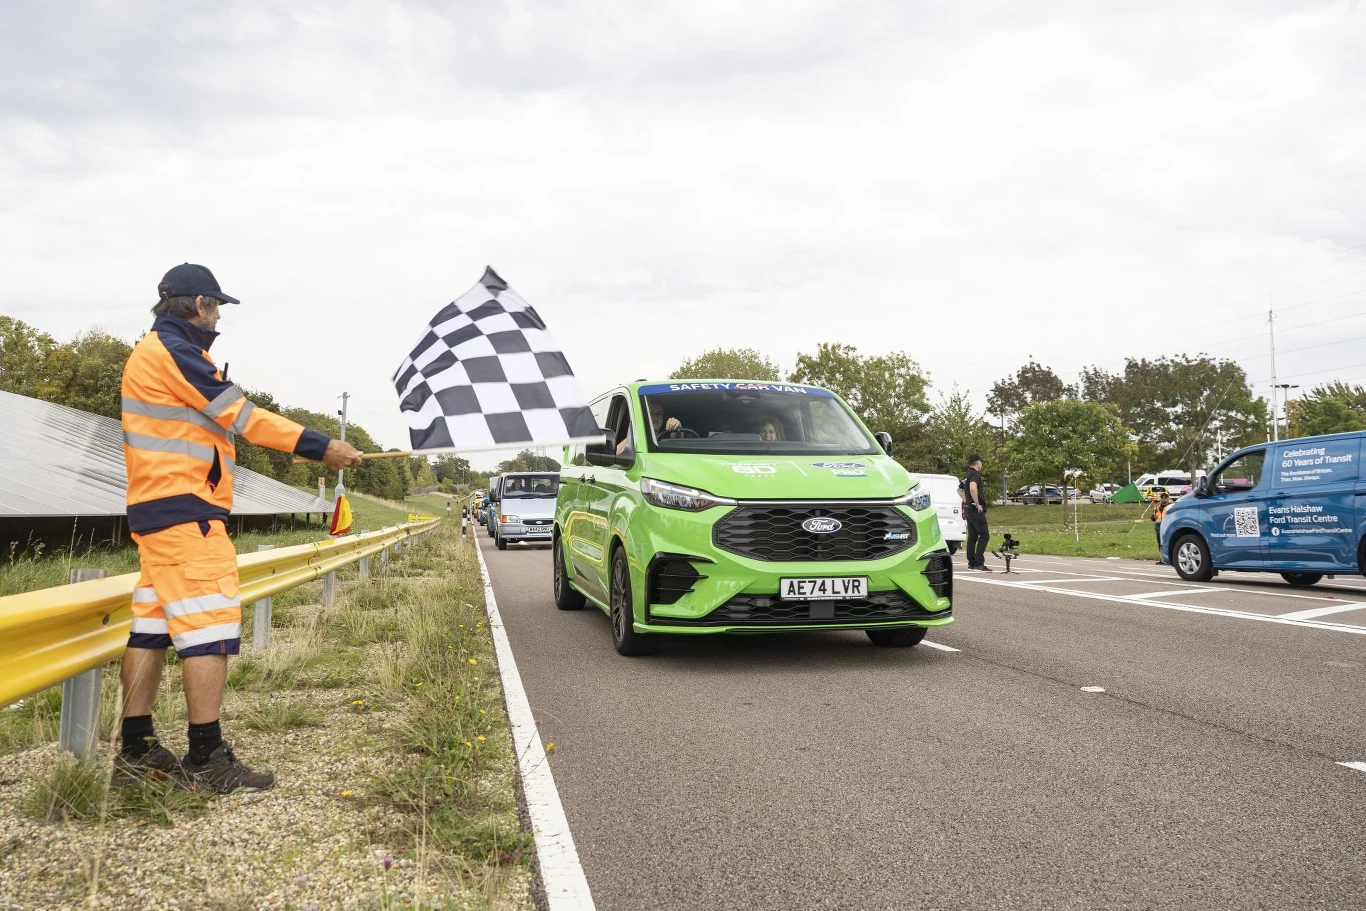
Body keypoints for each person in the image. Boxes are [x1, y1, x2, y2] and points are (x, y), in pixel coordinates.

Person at [117, 263, 363, 793]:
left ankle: (134, 750)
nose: (221, 315)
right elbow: (242, 416)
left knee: (152, 628)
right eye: (218, 305)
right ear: (200, 303)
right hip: (187, 514)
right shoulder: (174, 353)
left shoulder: (157, 351)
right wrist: (323, 447)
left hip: (158, 511)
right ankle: (206, 756)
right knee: (208, 631)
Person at [963, 454, 991, 571]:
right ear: (977, 462)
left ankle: (972, 563)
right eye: (981, 462)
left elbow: (959, 489)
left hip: (968, 508)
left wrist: (967, 500)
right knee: (984, 535)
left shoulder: (966, 475)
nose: (981, 464)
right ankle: (979, 563)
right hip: (975, 509)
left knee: (972, 536)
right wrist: (977, 503)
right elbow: (973, 488)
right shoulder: (975, 474)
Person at [1152, 491, 1172, 564]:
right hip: (1158, 527)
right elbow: (1152, 519)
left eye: (1165, 498)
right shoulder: (1157, 508)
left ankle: (1169, 558)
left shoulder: (1170, 507)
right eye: (1162, 498)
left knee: (1167, 543)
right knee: (1160, 543)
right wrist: (1154, 517)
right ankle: (1162, 558)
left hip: (1167, 527)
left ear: (1168, 499)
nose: (1164, 499)